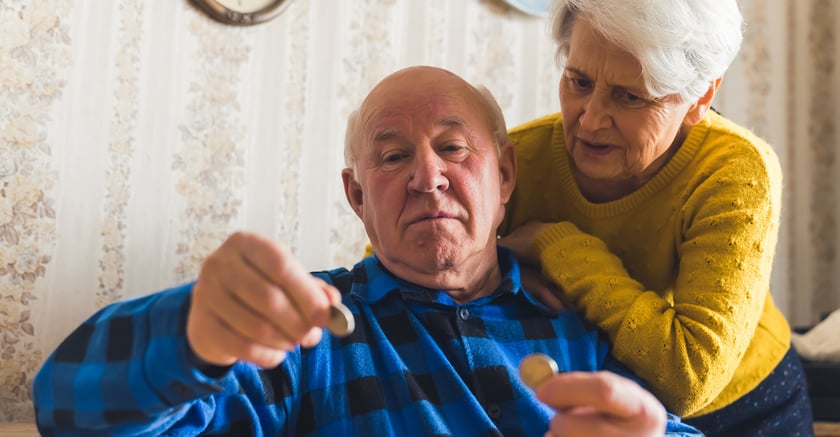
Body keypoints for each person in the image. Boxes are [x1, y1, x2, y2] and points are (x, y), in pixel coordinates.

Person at [32, 66, 700, 436]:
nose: (427, 174)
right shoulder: (305, 327)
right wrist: (187, 333)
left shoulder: (576, 324)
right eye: (392, 155)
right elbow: (66, 410)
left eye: (453, 146)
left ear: (506, 175)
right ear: (357, 196)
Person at [496, 1, 813, 435]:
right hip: (586, 406)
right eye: (579, 81)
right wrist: (503, 271)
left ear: (699, 98)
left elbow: (689, 379)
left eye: (630, 96)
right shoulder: (520, 158)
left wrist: (556, 249)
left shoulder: (734, 170)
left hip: (745, 407)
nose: (589, 121)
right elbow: (405, 267)